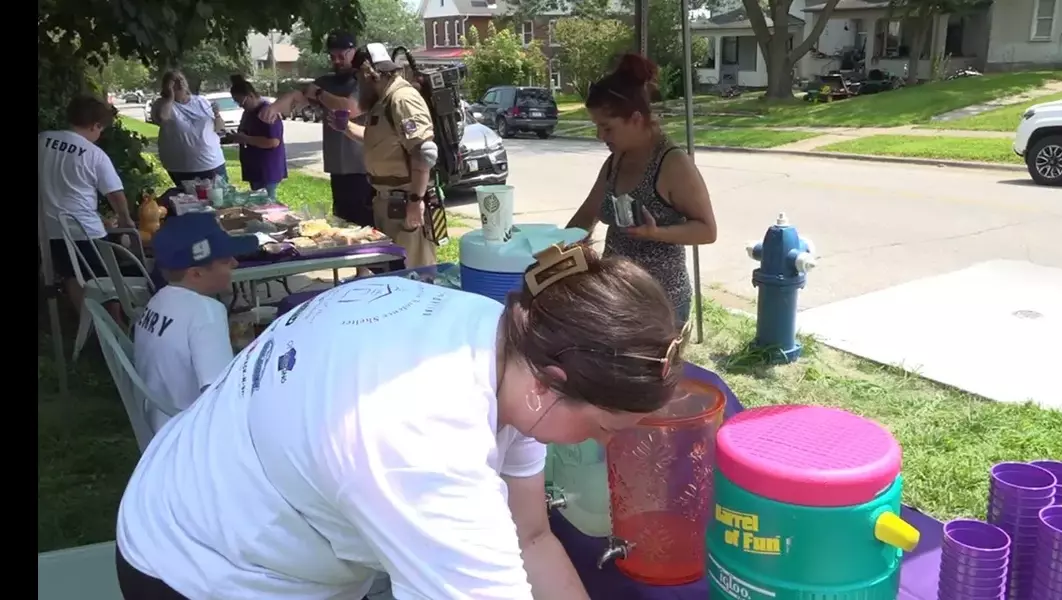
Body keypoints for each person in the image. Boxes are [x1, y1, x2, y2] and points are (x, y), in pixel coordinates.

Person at [115, 240, 686, 600]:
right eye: (605, 430)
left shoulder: (512, 340)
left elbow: (531, 536)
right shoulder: (421, 442)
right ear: (552, 387)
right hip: (195, 566)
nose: (603, 446)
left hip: (234, 497)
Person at [566, 54, 717, 327]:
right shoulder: (616, 160)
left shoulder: (672, 164)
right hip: (618, 299)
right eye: (597, 127)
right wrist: (558, 254)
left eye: (607, 127)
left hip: (661, 307)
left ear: (636, 119)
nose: (600, 136)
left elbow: (707, 230)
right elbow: (587, 215)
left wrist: (657, 233)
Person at [132, 213, 256, 432]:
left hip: (160, 423)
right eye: (226, 261)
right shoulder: (205, 313)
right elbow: (220, 394)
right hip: (191, 435)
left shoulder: (158, 300)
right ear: (196, 273)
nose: (235, 263)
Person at [333, 43, 439, 269]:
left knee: (416, 273)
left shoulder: (401, 99)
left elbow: (423, 152)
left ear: (367, 73)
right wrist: (346, 128)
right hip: (388, 203)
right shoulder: (382, 100)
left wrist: (416, 201)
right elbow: (381, 141)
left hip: (405, 202)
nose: (358, 84)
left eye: (359, 77)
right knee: (395, 274)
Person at [261, 31, 373, 229]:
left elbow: (349, 109)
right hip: (337, 169)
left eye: (342, 55)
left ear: (353, 52)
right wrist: (276, 106)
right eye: (332, 56)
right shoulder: (326, 81)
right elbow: (298, 97)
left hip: (363, 169)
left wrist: (320, 94)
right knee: (344, 225)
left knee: (366, 227)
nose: (337, 60)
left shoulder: (364, 80)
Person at [38, 94, 136, 313]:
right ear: (96, 125)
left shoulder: (42, 140)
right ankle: (114, 327)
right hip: (85, 231)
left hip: (50, 229)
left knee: (72, 276)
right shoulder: (94, 155)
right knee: (106, 282)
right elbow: (115, 194)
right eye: (101, 130)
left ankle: (89, 321)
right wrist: (125, 220)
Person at [152, 70, 228, 189]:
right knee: (189, 202)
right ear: (167, 86)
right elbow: (162, 118)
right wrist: (171, 96)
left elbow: (220, 129)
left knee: (219, 199)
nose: (180, 83)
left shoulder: (201, 101)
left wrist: (217, 115)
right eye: (175, 81)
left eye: (182, 80)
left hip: (212, 163)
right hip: (180, 167)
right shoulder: (162, 104)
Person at [230, 75, 286, 201]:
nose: (240, 106)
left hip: (267, 169)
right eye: (236, 102)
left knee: (267, 205)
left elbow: (273, 142)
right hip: (254, 169)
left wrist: (246, 139)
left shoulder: (267, 112)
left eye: (241, 102)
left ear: (250, 96)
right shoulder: (249, 112)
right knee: (257, 203)